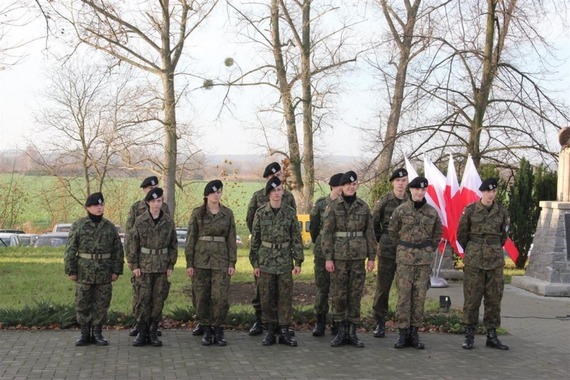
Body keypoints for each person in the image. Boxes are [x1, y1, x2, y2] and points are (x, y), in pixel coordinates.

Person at [321, 171, 376, 348]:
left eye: (354, 184)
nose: (351, 187)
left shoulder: (363, 207)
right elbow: (327, 234)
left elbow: (370, 233)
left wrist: (372, 257)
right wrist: (328, 258)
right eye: (347, 185)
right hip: (339, 258)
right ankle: (340, 331)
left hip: (358, 258)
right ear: (342, 187)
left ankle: (352, 331)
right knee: (339, 295)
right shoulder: (333, 206)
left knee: (355, 294)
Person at [249, 176, 304, 347]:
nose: (276, 193)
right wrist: (255, 264)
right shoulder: (260, 213)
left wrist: (298, 261)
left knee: (285, 296)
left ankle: (285, 330)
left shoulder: (289, 212)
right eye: (273, 191)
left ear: (282, 192)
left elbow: (296, 237)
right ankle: (270, 330)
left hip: (284, 260)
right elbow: (255, 240)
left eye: (279, 190)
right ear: (268, 194)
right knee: (266, 296)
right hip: (265, 261)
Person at [388, 176, 442, 349]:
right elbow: (393, 232)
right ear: (410, 190)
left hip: (423, 262)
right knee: (403, 297)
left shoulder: (432, 212)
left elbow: (437, 235)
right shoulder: (401, 210)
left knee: (419, 298)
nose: (420, 192)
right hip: (405, 261)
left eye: (423, 189)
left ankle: (415, 333)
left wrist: (426, 250)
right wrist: (405, 249)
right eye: (417, 189)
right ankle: (402, 334)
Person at [64, 192, 124, 346]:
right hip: (84, 271)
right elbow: (71, 249)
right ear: (88, 207)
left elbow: (118, 250)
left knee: (102, 302)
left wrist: (116, 270)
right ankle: (85, 333)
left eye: (101, 204)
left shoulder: (110, 227)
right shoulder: (79, 225)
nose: (99, 207)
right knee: (83, 302)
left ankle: (97, 333)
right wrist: (71, 270)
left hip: (104, 271)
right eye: (96, 205)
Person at [457, 178, 510, 350]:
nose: (491, 194)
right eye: (488, 191)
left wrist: (491, 249)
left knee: (494, 299)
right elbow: (461, 235)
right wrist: (474, 250)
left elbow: (503, 237)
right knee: (472, 298)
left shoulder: (501, 212)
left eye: (494, 191)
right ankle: (469, 334)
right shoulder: (471, 210)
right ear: (482, 192)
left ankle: (492, 335)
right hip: (474, 262)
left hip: (494, 263)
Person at [185, 180, 237, 346]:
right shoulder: (197, 213)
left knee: (220, 297)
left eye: (219, 192)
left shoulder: (227, 214)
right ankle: (206, 328)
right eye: (213, 192)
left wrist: (231, 262)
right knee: (201, 296)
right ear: (206, 195)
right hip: (201, 261)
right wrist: (189, 263)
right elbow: (190, 239)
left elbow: (231, 239)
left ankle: (218, 327)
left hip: (221, 261)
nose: (216, 195)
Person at [128, 187, 178, 347]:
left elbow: (173, 244)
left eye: (160, 200)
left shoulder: (168, 221)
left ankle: (153, 331)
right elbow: (132, 244)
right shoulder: (140, 221)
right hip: (144, 266)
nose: (157, 204)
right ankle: (142, 333)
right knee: (143, 299)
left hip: (161, 265)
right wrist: (134, 264)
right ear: (148, 202)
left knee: (158, 299)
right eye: (154, 201)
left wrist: (171, 264)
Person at [371, 168, 409, 338]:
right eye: (398, 181)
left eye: (404, 180)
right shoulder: (385, 201)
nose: (401, 184)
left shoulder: (411, 200)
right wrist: (382, 239)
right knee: (383, 288)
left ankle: (404, 324)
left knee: (405, 289)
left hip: (407, 251)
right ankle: (380, 322)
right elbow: (373, 224)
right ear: (393, 182)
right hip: (387, 250)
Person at [309, 172, 344, 337]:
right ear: (332, 186)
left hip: (341, 252)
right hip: (322, 253)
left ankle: (337, 323)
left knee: (338, 289)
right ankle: (320, 321)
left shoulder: (346, 204)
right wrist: (321, 243)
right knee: (322, 287)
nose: (341, 189)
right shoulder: (321, 204)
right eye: (339, 186)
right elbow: (314, 228)